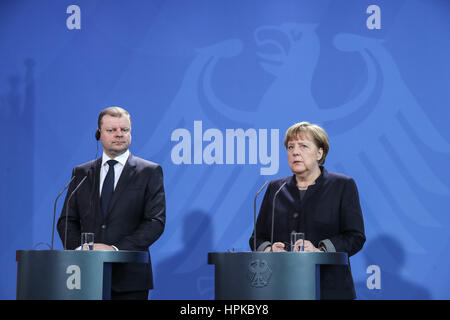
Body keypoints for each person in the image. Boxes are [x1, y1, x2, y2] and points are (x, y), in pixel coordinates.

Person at [57, 106, 166, 300]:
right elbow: (66, 221)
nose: (119, 135)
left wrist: (114, 250)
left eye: (124, 130)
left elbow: (155, 222)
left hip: (130, 279)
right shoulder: (81, 173)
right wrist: (83, 250)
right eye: (111, 130)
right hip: (84, 276)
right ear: (99, 134)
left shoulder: (149, 171)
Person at [249, 121, 365, 299]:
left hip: (329, 289)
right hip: (282, 288)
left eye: (303, 146)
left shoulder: (342, 185)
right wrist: (269, 250)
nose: (295, 152)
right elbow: (257, 238)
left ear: (320, 152)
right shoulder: (275, 188)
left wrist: (321, 250)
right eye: (290, 147)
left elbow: (355, 237)